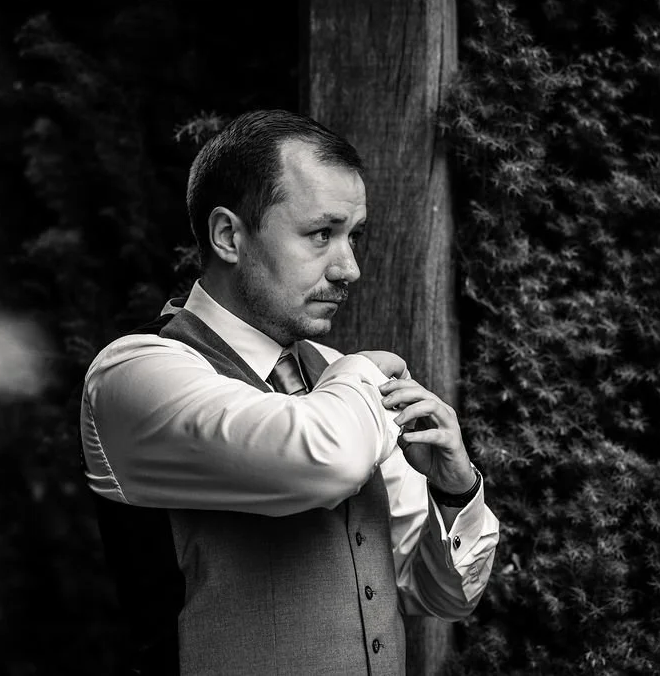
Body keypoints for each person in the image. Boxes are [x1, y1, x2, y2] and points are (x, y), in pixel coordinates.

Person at [79, 109, 499, 675]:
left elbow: (440, 597)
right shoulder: (134, 374)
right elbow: (323, 457)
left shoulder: (336, 377)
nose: (349, 268)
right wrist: (362, 372)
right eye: (321, 234)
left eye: (354, 237)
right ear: (229, 235)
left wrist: (453, 490)